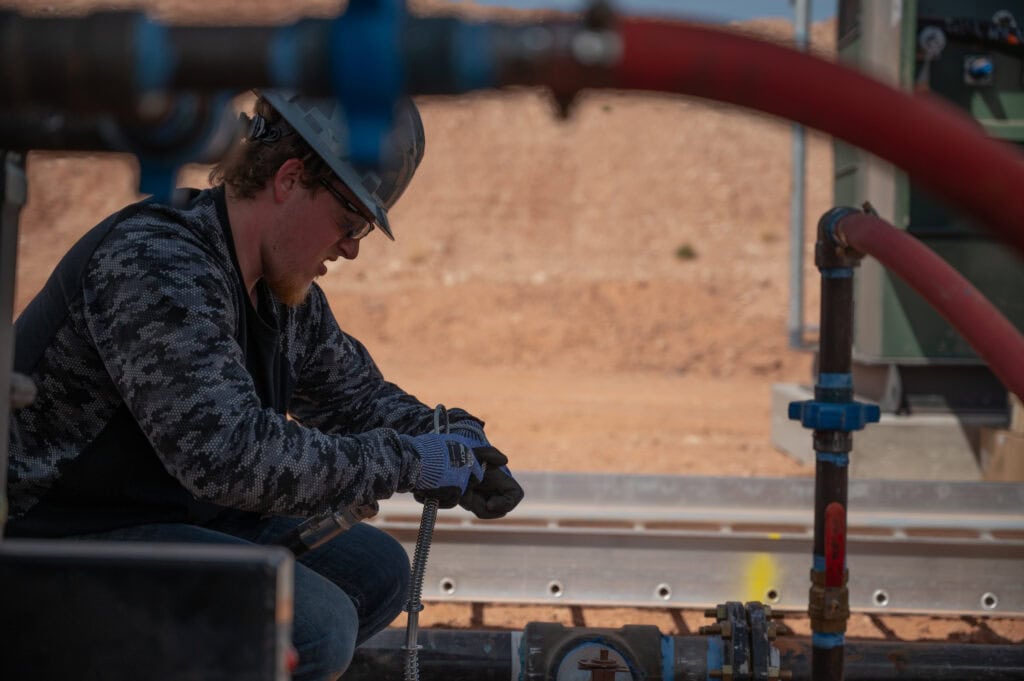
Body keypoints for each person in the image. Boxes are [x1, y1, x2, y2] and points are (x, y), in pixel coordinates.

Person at [6, 91, 524, 680]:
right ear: (290, 178)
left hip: (167, 515)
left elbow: (352, 398)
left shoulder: (280, 294)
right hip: (60, 536)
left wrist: (451, 434)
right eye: (351, 220)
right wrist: (411, 461)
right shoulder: (158, 264)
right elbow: (232, 458)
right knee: (315, 626)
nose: (352, 248)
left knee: (375, 572)